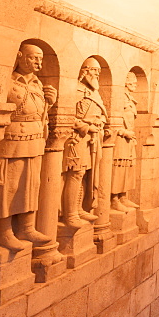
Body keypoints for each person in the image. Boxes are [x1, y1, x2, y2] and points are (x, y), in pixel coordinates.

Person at [0, 43, 57, 251]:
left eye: (40, 59)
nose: (38, 63)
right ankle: (4, 232)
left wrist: (49, 105)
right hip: (12, 140)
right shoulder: (6, 81)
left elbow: (39, 115)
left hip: (35, 140)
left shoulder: (37, 84)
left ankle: (26, 227)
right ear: (19, 56)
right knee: (7, 187)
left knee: (31, 185)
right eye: (34, 58)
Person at [61, 58, 106, 228]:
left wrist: (99, 123)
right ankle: (70, 213)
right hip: (77, 139)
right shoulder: (75, 90)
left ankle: (79, 208)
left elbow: (103, 114)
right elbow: (65, 117)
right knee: (75, 174)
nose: (97, 74)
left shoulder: (94, 92)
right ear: (85, 70)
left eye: (99, 72)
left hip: (92, 140)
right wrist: (86, 126)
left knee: (86, 173)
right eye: (94, 70)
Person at [111, 71, 141, 211]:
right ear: (126, 82)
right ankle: (114, 199)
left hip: (129, 139)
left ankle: (123, 196)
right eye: (132, 82)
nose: (134, 85)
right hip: (120, 139)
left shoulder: (130, 99)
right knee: (118, 168)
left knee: (128, 168)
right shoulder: (119, 98)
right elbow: (113, 122)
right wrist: (124, 132)